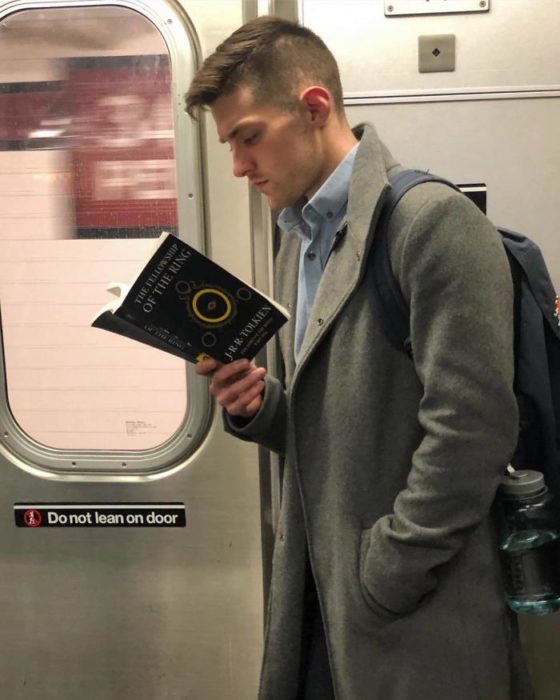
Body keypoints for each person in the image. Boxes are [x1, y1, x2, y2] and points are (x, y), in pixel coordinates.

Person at [185, 16, 534, 700]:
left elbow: (475, 429)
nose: (238, 167)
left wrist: (387, 568)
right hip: (319, 597)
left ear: (314, 107)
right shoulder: (297, 241)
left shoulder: (430, 224)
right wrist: (260, 406)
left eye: (249, 137)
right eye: (229, 145)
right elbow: (329, 425)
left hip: (409, 610)